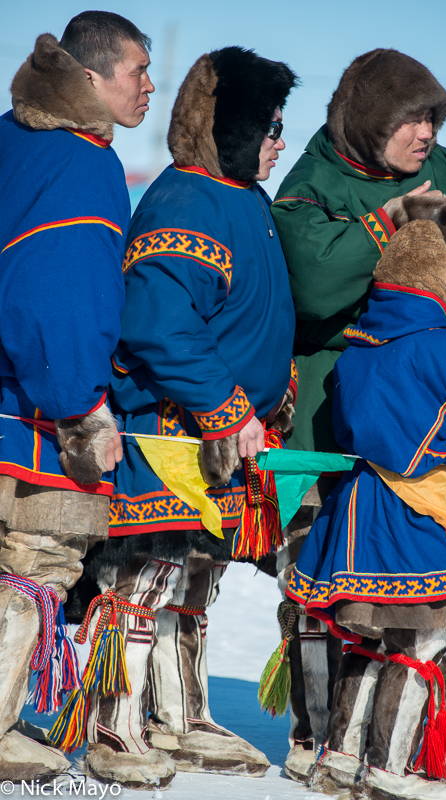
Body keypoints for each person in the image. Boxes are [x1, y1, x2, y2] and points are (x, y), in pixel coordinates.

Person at [269, 47, 446, 784]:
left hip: (440, 434)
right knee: (330, 601)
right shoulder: (314, 183)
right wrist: (389, 224)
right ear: (365, 122)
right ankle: (318, 737)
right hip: (332, 423)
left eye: (432, 118)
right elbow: (318, 283)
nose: (426, 134)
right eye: (410, 119)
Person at [53, 47, 298, 789]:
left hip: (221, 442)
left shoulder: (241, 198)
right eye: (271, 126)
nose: (280, 142)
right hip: (173, 434)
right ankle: (113, 725)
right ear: (232, 129)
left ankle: (181, 713)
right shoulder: (187, 201)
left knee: (194, 583)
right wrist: (227, 412)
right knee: (143, 580)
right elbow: (159, 323)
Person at [0, 11, 153, 781]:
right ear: (89, 78)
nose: (149, 85)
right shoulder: (80, 163)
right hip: (30, 411)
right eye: (136, 70)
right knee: (35, 561)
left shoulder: (10, 139)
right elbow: (57, 294)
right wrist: (79, 409)